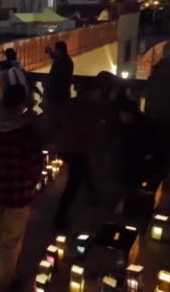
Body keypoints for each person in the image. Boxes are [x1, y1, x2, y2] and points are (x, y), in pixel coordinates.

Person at [0, 84, 43, 292]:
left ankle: (3, 268)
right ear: (22, 104)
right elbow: (34, 164)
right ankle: (4, 283)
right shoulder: (26, 131)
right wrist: (30, 184)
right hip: (18, 194)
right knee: (12, 240)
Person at [52, 81, 104, 230]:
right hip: (76, 149)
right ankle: (60, 218)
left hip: (69, 147)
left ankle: (93, 197)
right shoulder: (87, 109)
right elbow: (89, 131)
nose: (99, 96)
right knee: (73, 184)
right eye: (97, 93)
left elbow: (58, 123)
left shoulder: (70, 105)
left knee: (84, 172)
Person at [44, 41, 74, 112]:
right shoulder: (65, 59)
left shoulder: (63, 61)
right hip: (61, 94)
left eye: (55, 49)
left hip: (57, 95)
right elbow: (56, 57)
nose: (55, 51)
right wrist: (50, 52)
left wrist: (48, 90)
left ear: (59, 50)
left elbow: (56, 78)